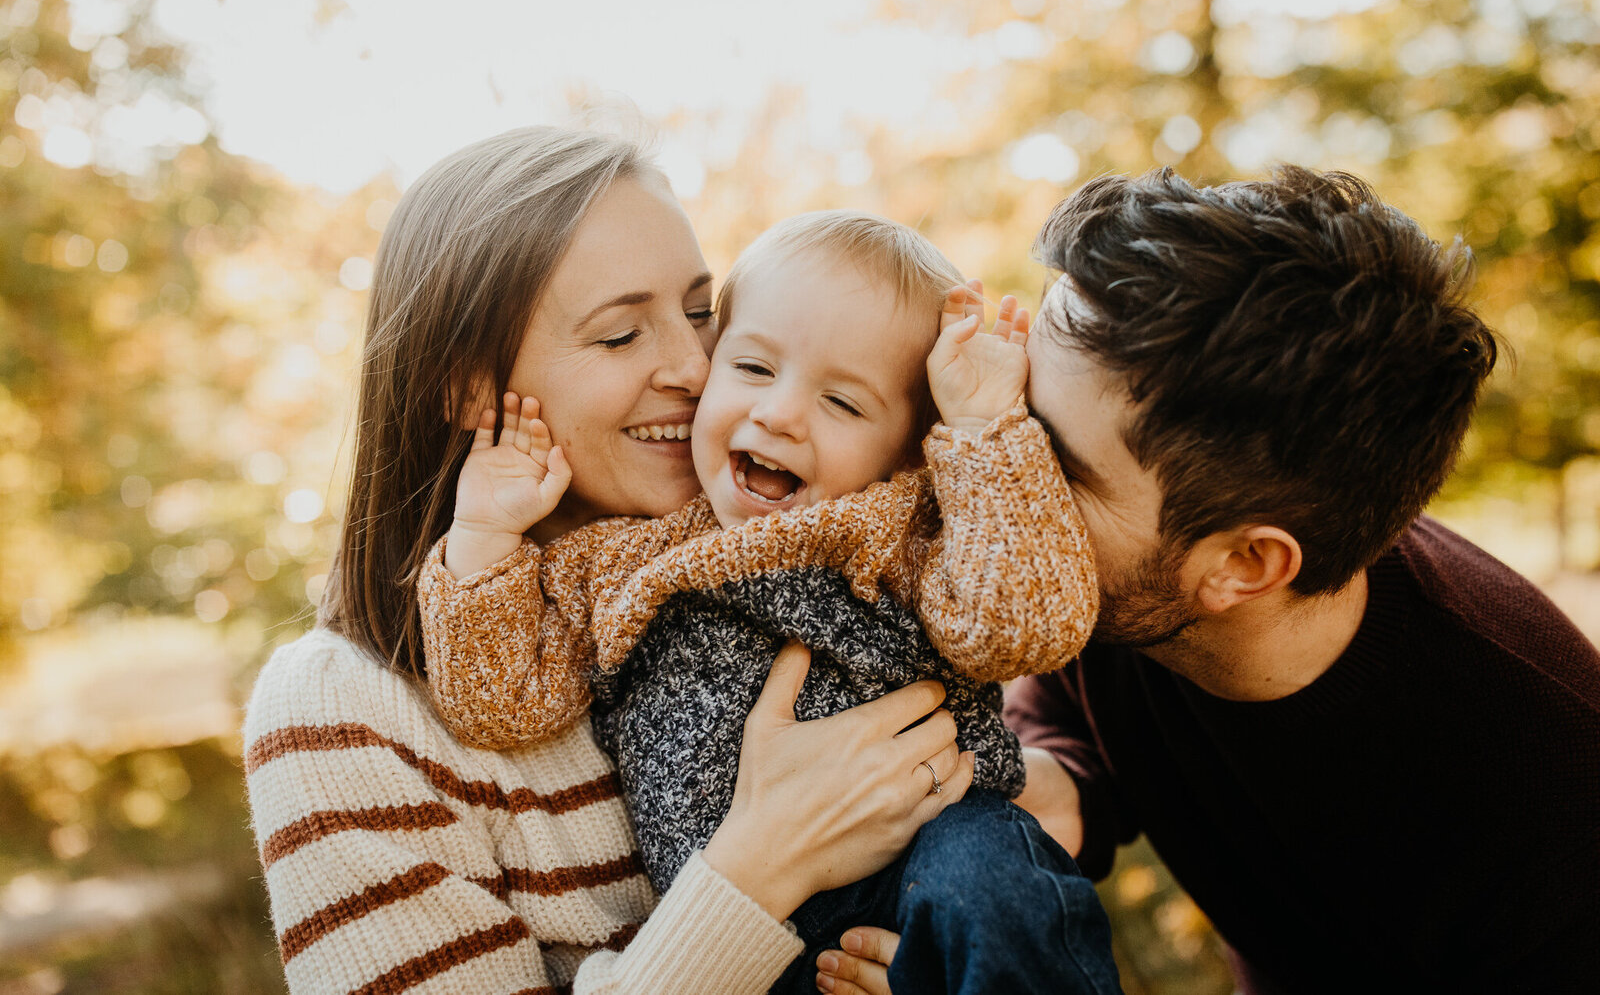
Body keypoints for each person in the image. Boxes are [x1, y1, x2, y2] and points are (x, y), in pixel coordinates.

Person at [241, 127, 983, 995]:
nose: (697, 367)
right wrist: (763, 865)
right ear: (469, 386)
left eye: (702, 313)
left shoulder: (796, 559)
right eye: (622, 336)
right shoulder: (346, 709)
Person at [419, 210, 1124, 995]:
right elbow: (501, 703)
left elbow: (1026, 630)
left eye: (844, 404)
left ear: (907, 446)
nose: (780, 413)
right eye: (753, 369)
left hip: (940, 840)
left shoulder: (903, 527)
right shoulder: (623, 557)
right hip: (746, 931)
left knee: (1002, 897)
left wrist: (986, 432)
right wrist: (483, 534)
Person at [996, 165, 1600, 994]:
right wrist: (1064, 788)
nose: (993, 469)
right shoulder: (1110, 585)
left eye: (1055, 461)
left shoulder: (1548, 803)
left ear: (1245, 565)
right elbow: (1067, 711)